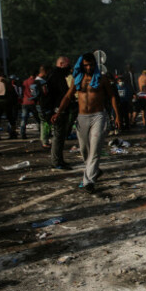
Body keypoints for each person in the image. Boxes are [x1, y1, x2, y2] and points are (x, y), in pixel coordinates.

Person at [52, 53, 120, 193]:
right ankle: (95, 170)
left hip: (98, 116)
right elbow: (68, 96)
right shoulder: (77, 79)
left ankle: (88, 181)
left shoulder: (102, 79)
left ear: (95, 65)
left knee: (95, 149)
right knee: (84, 150)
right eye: (86, 65)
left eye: (91, 65)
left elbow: (112, 96)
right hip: (82, 117)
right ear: (82, 66)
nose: (89, 67)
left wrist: (117, 116)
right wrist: (58, 112)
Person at [45, 57, 73, 168]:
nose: (69, 67)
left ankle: (58, 160)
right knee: (58, 136)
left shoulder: (53, 74)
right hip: (57, 109)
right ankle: (56, 161)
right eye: (68, 64)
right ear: (61, 64)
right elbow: (64, 94)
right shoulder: (57, 76)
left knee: (59, 136)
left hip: (56, 108)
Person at [0, 66, 17, 140]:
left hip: (7, 101)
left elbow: (10, 88)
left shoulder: (6, 79)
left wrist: (4, 82)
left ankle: (13, 132)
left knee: (10, 117)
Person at [20, 71, 41, 139]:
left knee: (24, 119)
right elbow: (35, 93)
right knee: (38, 119)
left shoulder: (25, 81)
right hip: (32, 102)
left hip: (25, 102)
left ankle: (22, 133)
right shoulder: (34, 82)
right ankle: (42, 132)